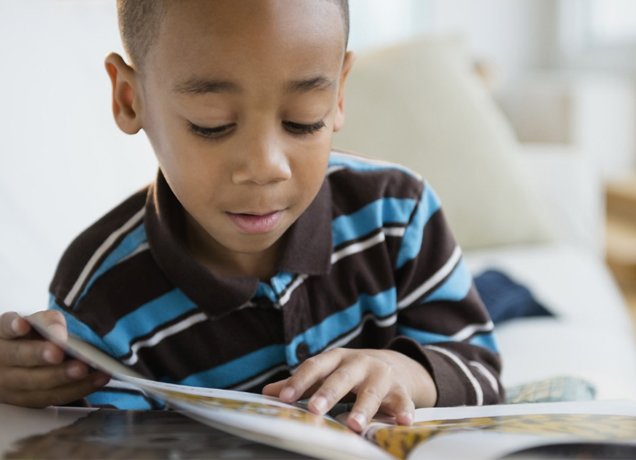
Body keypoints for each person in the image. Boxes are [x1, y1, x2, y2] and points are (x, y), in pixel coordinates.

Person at [0, 0, 503, 432]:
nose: (266, 168)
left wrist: (404, 373)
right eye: (212, 125)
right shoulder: (100, 300)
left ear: (339, 94)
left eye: (303, 119)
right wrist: (39, 387)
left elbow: (482, 375)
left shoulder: (399, 214)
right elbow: (100, 438)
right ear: (131, 100)